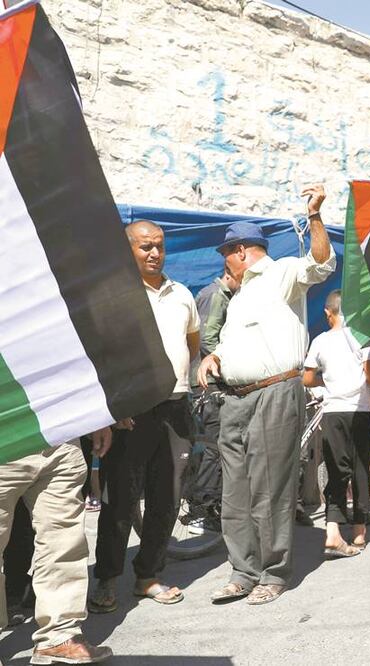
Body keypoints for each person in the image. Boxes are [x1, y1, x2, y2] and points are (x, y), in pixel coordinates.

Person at [197, 183, 335, 606]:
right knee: (234, 488)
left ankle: (273, 573)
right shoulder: (237, 298)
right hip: (235, 399)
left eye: (225, 255)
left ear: (240, 251)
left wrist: (313, 216)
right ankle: (243, 571)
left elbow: (323, 263)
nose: (224, 264)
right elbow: (239, 341)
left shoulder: (282, 273)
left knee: (271, 486)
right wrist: (214, 357)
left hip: (275, 393)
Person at [90, 220, 199, 613]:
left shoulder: (182, 294)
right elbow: (99, 357)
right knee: (120, 501)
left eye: (159, 247)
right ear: (127, 251)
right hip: (131, 413)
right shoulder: (112, 297)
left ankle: (148, 576)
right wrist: (113, 406)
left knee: (165, 499)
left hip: (175, 408)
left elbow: (192, 342)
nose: (155, 253)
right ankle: (106, 579)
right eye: (145, 247)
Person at [0, 430, 114, 664]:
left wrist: (97, 420)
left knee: (64, 539)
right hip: (6, 431)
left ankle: (59, 636)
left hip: (59, 436)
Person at [303, 290, 370, 558]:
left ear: (328, 313)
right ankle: (359, 531)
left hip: (333, 412)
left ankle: (333, 530)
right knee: (360, 469)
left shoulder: (320, 341)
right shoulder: (362, 336)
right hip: (360, 410)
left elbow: (307, 378)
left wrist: (328, 383)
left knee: (336, 470)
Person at [188, 270, 239, 531]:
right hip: (210, 383)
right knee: (214, 446)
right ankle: (202, 509)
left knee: (218, 445)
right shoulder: (216, 296)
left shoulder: (221, 295)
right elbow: (207, 340)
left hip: (210, 382)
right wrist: (232, 366)